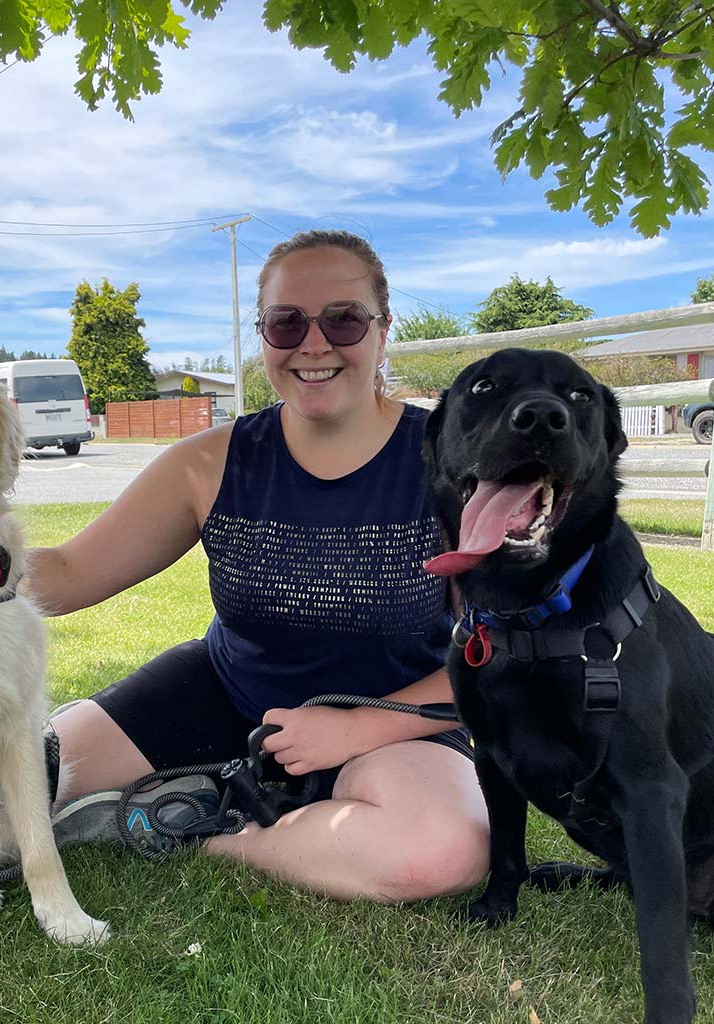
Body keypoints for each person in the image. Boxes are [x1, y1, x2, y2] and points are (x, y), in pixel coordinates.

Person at [29, 230, 490, 902]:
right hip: (227, 698)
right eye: (285, 323)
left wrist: (357, 727)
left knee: (442, 851)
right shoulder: (209, 463)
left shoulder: (454, 467)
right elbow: (67, 574)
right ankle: (205, 780)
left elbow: (500, 649)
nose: (313, 342)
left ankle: (205, 829)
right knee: (2, 793)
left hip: (396, 724)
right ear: (263, 336)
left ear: (383, 331)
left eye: (343, 319)